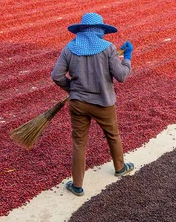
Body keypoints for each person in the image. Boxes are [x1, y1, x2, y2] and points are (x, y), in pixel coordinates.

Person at [51, 12, 134, 196]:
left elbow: (56, 75)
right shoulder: (108, 48)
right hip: (103, 103)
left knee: (79, 143)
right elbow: (121, 76)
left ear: (81, 30)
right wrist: (127, 57)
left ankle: (77, 185)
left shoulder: (70, 48)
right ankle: (120, 167)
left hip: (78, 103)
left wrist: (71, 87)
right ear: (100, 30)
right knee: (113, 135)